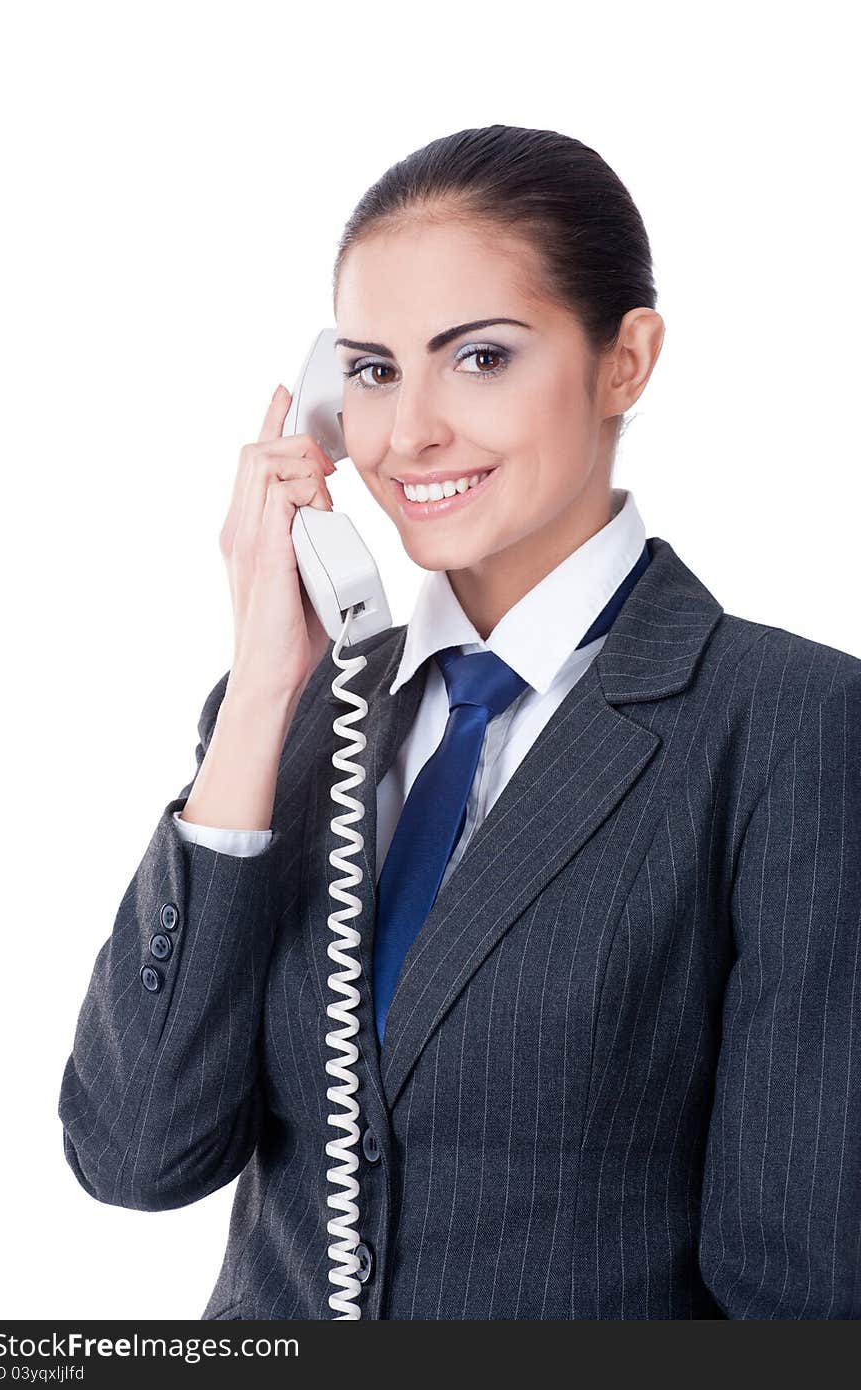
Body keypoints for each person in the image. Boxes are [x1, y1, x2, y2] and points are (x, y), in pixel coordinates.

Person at [58, 124, 861, 1320]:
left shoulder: (791, 727)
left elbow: (801, 1290)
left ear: (624, 360)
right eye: (373, 370)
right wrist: (265, 686)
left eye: (478, 358)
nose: (406, 433)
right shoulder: (292, 716)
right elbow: (134, 1155)